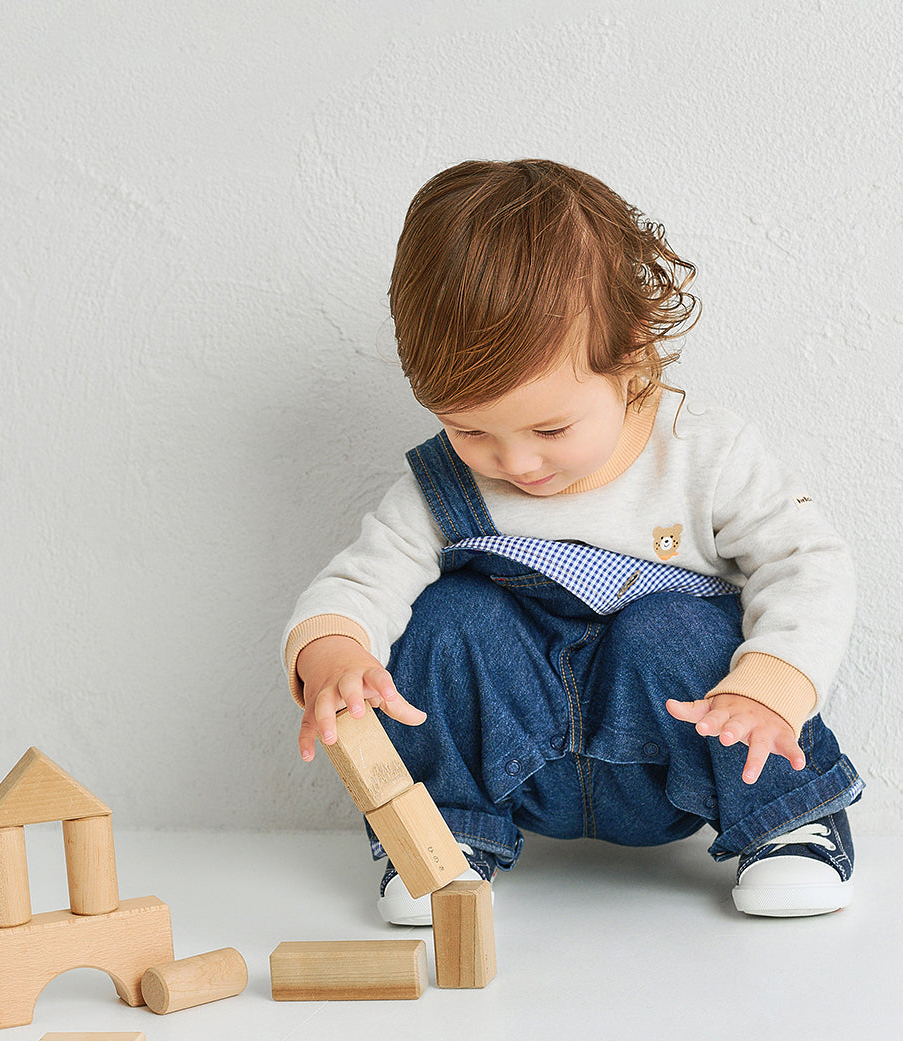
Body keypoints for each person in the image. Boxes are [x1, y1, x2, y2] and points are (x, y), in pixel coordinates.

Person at [282, 159, 861, 925]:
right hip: (524, 769)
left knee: (674, 628)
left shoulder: (701, 455)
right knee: (449, 616)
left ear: (632, 358)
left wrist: (772, 687)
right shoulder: (441, 488)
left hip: (681, 743)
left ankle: (785, 821)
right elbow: (360, 583)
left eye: (551, 429)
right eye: (470, 430)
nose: (515, 463)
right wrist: (333, 655)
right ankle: (443, 837)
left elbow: (808, 563)